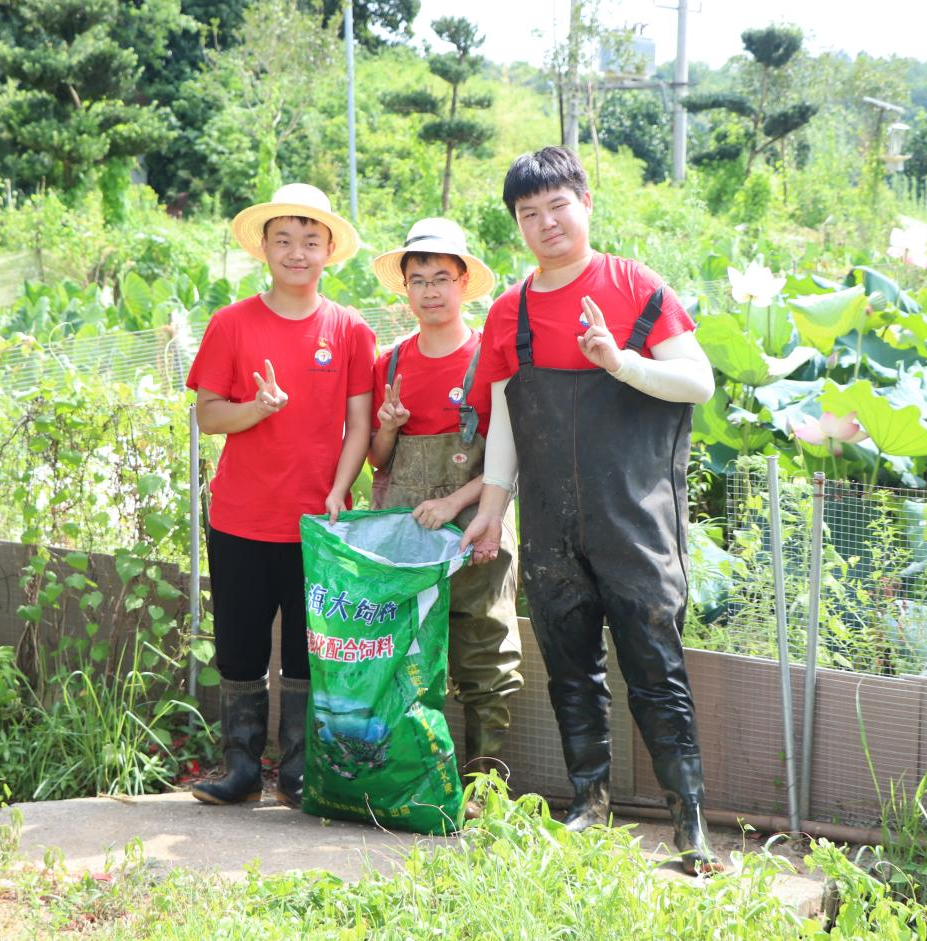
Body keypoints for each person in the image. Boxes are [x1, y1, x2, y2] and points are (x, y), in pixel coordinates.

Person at [459, 146, 722, 874]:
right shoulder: (509, 312)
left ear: (586, 204)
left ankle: (690, 822)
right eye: (529, 213)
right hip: (551, 524)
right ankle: (589, 802)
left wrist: (621, 363)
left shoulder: (635, 286)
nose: (546, 223)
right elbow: (507, 419)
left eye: (558, 206)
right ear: (517, 223)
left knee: (655, 666)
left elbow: (698, 381)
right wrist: (492, 507)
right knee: (570, 667)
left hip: (635, 518)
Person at [186, 183, 376, 809]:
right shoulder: (231, 324)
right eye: (284, 240)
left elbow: (360, 424)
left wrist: (340, 490)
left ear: (329, 251)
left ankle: (297, 771)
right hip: (240, 517)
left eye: (311, 241)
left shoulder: (349, 329)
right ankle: (241, 768)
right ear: (263, 248)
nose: (298, 252)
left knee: (306, 651)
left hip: (318, 523)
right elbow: (208, 414)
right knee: (239, 649)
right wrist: (256, 409)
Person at [367, 218, 524, 794]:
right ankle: (410, 782)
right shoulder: (389, 363)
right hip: (405, 534)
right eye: (418, 280)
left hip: (477, 524)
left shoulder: (492, 359)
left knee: (485, 653)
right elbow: (377, 460)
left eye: (441, 278)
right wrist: (388, 427)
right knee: (403, 654)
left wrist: (457, 501)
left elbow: (515, 452)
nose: (430, 291)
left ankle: (485, 787)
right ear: (405, 289)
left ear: (463, 284)